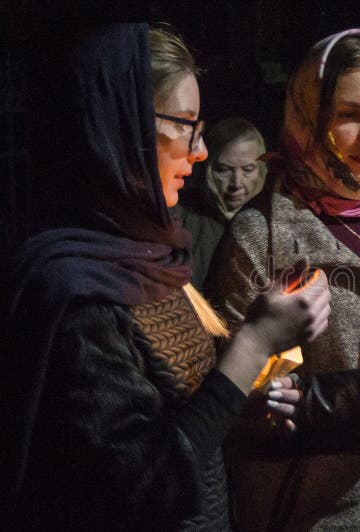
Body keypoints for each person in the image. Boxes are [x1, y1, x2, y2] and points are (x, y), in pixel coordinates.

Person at [1, 23, 330, 531]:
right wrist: (253, 344)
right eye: (185, 125)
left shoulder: (151, 257)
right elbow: (145, 485)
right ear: (121, 128)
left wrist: (239, 404)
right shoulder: (80, 298)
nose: (199, 152)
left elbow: (180, 423)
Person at [206, 29, 360, 530]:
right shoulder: (261, 239)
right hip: (316, 515)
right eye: (348, 116)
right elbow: (235, 414)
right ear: (307, 119)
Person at [171, 117, 269, 287]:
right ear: (208, 168)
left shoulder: (278, 225)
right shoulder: (181, 221)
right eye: (224, 170)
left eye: (248, 170)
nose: (236, 183)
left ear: (262, 170)